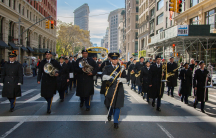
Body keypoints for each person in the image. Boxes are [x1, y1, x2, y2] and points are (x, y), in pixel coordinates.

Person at [102, 52, 126, 129]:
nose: (115, 61)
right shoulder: (107, 67)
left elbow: (127, 78)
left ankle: (116, 121)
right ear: (111, 59)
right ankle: (110, 113)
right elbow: (103, 76)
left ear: (118, 59)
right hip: (109, 88)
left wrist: (122, 79)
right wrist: (107, 77)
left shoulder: (121, 68)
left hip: (119, 89)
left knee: (117, 106)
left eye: (116, 59)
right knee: (109, 104)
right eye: (113, 59)